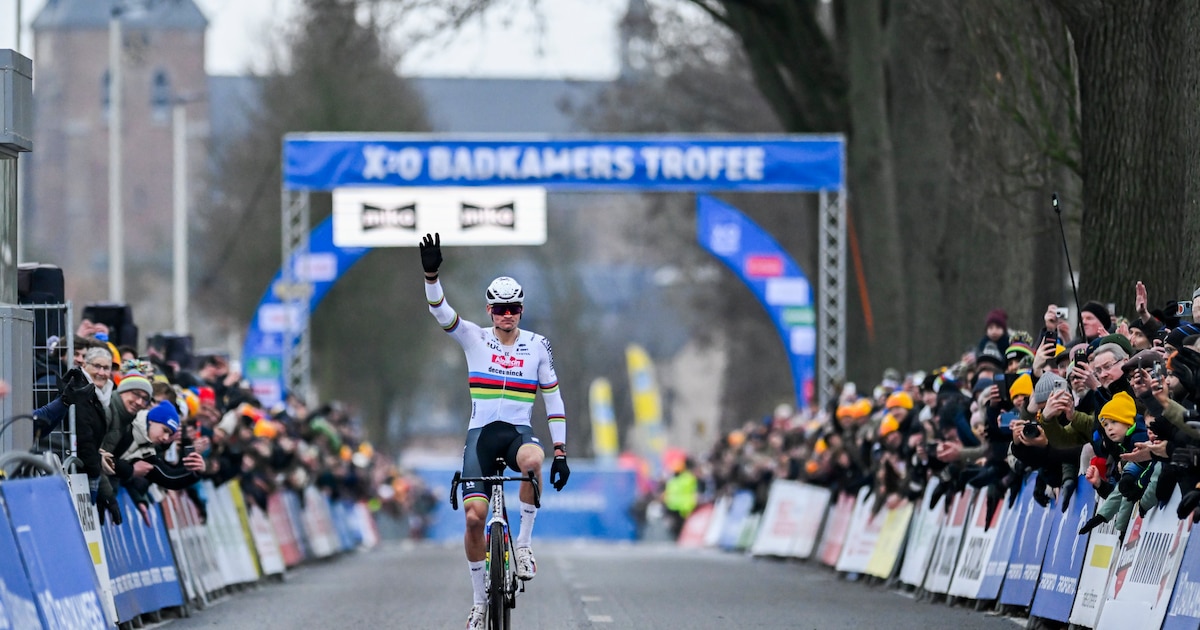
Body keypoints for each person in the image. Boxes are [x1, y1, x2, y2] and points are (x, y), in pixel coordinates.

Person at [418, 233, 570, 630]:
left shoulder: (538, 345)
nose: (508, 315)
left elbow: (552, 398)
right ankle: (478, 603)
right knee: (473, 519)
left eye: (514, 308)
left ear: (521, 310)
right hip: (481, 437)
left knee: (533, 460)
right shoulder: (474, 337)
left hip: (518, 432)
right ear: (489, 310)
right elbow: (440, 312)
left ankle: (522, 546)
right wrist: (431, 276)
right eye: (501, 308)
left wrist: (561, 451)